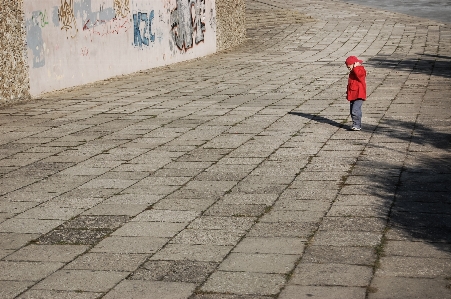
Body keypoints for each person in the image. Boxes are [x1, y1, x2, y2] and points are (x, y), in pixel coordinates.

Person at [345, 56, 367, 131]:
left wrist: (356, 67)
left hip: (359, 95)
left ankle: (357, 125)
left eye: (349, 67)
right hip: (354, 95)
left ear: (354, 64)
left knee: (355, 110)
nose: (349, 69)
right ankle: (356, 124)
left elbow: (360, 75)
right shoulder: (353, 71)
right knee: (353, 110)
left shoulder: (360, 70)